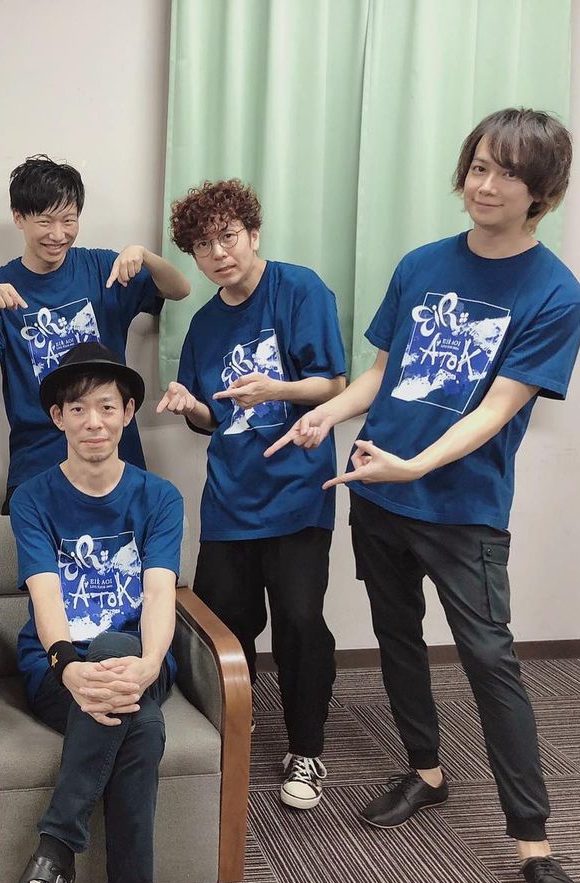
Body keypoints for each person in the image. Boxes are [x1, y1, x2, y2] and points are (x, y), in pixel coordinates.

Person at [267, 108, 580, 883]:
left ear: (542, 191)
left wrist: (419, 463)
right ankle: (426, 770)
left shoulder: (556, 293)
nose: (486, 185)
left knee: (490, 661)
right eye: (479, 167)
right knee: (397, 635)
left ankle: (535, 848)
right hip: (378, 488)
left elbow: (501, 407)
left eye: (508, 174)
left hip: (462, 506)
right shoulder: (421, 265)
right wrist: (327, 413)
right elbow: (384, 373)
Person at [158, 178, 346, 810]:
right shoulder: (204, 325)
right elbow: (214, 416)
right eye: (203, 245)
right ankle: (234, 729)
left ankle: (306, 749)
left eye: (229, 236)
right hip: (229, 499)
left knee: (299, 622)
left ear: (253, 233)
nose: (218, 253)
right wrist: (189, 405)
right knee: (226, 628)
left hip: (297, 492)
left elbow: (334, 384)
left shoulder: (299, 289)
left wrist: (278, 390)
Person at [0, 342, 182, 883]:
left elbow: (160, 594)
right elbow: (46, 596)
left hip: (140, 660)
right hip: (57, 670)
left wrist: (149, 665)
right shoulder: (32, 498)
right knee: (142, 729)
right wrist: (68, 666)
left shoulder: (160, 497)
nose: (94, 422)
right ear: (58, 418)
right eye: (78, 409)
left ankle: (52, 858)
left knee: (120, 642)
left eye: (106, 407)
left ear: (128, 412)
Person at [0, 154, 191, 512]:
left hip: (114, 456)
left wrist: (144, 255)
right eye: (44, 221)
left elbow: (180, 290)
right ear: (18, 218)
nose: (58, 234)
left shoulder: (101, 267)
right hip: (37, 462)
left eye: (68, 220)